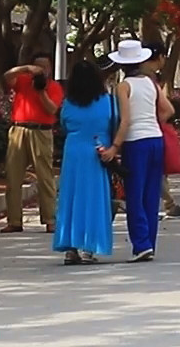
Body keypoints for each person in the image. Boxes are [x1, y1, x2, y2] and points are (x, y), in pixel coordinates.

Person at [111, 38, 173, 262]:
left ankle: (141, 244)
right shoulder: (150, 83)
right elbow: (168, 110)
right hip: (155, 140)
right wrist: (152, 122)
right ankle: (150, 243)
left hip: (135, 143)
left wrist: (115, 145)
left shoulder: (123, 86)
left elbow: (125, 120)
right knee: (150, 194)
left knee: (134, 196)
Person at [53, 59, 119, 264]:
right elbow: (115, 123)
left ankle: (70, 249)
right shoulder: (107, 101)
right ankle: (89, 248)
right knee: (94, 199)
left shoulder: (68, 103)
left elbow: (63, 124)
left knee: (71, 198)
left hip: (73, 152)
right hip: (97, 151)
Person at [1, 53, 62, 233]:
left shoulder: (54, 87)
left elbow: (52, 109)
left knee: (45, 177)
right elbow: (7, 77)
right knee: (13, 177)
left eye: (45, 67)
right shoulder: (23, 80)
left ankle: (50, 219)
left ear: (50, 69)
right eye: (38, 66)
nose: (41, 70)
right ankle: (14, 221)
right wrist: (25, 69)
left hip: (42, 131)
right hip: (19, 130)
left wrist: (41, 90)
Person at [140, 43, 180, 219]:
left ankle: (167, 204)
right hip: (147, 132)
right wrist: (152, 122)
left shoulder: (140, 77)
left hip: (140, 130)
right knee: (154, 170)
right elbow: (168, 110)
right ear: (159, 57)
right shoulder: (147, 79)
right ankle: (161, 206)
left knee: (154, 170)